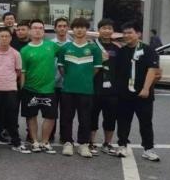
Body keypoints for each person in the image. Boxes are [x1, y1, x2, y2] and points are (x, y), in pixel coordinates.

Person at [114, 21, 161, 161]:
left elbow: (152, 70)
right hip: (124, 94)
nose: (127, 35)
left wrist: (146, 89)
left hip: (143, 94)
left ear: (138, 34)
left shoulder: (148, 50)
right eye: (124, 33)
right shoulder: (121, 51)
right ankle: (122, 145)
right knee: (123, 121)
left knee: (146, 122)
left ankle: (148, 149)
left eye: (130, 32)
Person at [57, 18, 102, 158]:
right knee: (66, 117)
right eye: (77, 27)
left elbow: (96, 69)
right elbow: (61, 68)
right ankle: (67, 143)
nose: (79, 30)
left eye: (82, 27)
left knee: (85, 118)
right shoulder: (65, 48)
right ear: (73, 30)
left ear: (87, 29)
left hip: (86, 90)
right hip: (68, 89)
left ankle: (83, 144)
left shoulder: (94, 49)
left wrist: (85, 78)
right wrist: (71, 78)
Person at [0, 28, 29, 153]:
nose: (4, 38)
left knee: (12, 116)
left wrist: (7, 79)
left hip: (10, 88)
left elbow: (18, 71)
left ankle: (16, 142)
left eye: (7, 36)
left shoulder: (15, 54)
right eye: (2, 36)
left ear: (10, 38)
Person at [19, 19, 59, 154]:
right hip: (30, 89)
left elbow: (67, 54)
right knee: (31, 116)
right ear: (30, 31)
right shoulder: (24, 50)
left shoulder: (51, 46)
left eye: (40, 28)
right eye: (35, 28)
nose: (37, 30)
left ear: (44, 31)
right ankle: (35, 141)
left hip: (49, 89)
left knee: (50, 116)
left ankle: (45, 141)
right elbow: (22, 72)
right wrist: (22, 88)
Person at [90, 18, 120, 156]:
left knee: (110, 118)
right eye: (104, 28)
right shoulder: (92, 46)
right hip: (94, 87)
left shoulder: (117, 48)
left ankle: (107, 143)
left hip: (112, 90)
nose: (107, 31)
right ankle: (91, 142)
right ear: (99, 30)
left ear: (113, 31)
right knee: (92, 116)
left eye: (109, 28)